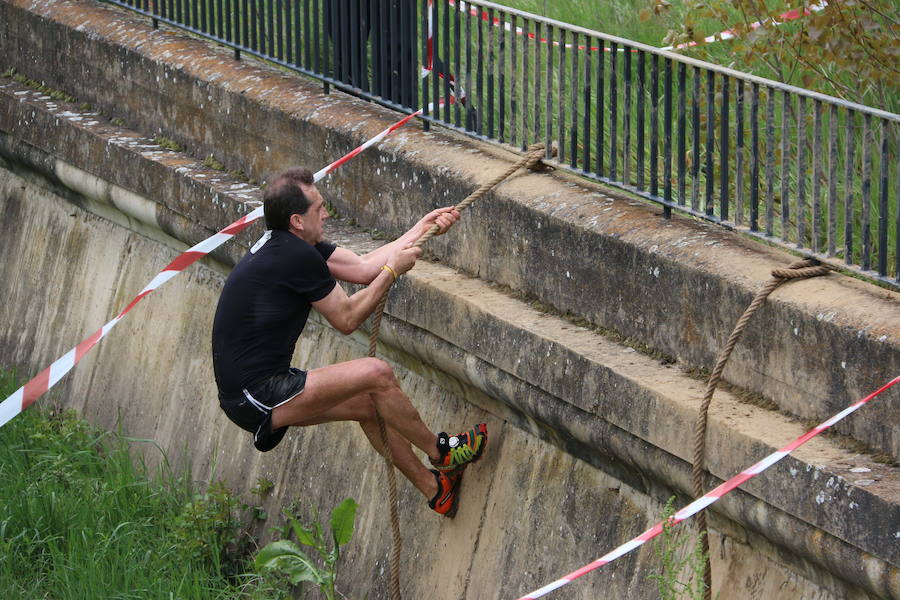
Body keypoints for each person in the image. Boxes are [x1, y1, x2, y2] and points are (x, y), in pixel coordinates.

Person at [211, 167, 487, 517]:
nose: (326, 214)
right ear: (297, 220)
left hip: (251, 392)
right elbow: (346, 319)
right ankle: (442, 452)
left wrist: (422, 226)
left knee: (368, 405)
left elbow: (362, 268)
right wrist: (393, 273)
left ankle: (436, 491)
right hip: (256, 395)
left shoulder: (294, 243)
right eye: (319, 208)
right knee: (376, 372)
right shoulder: (295, 256)